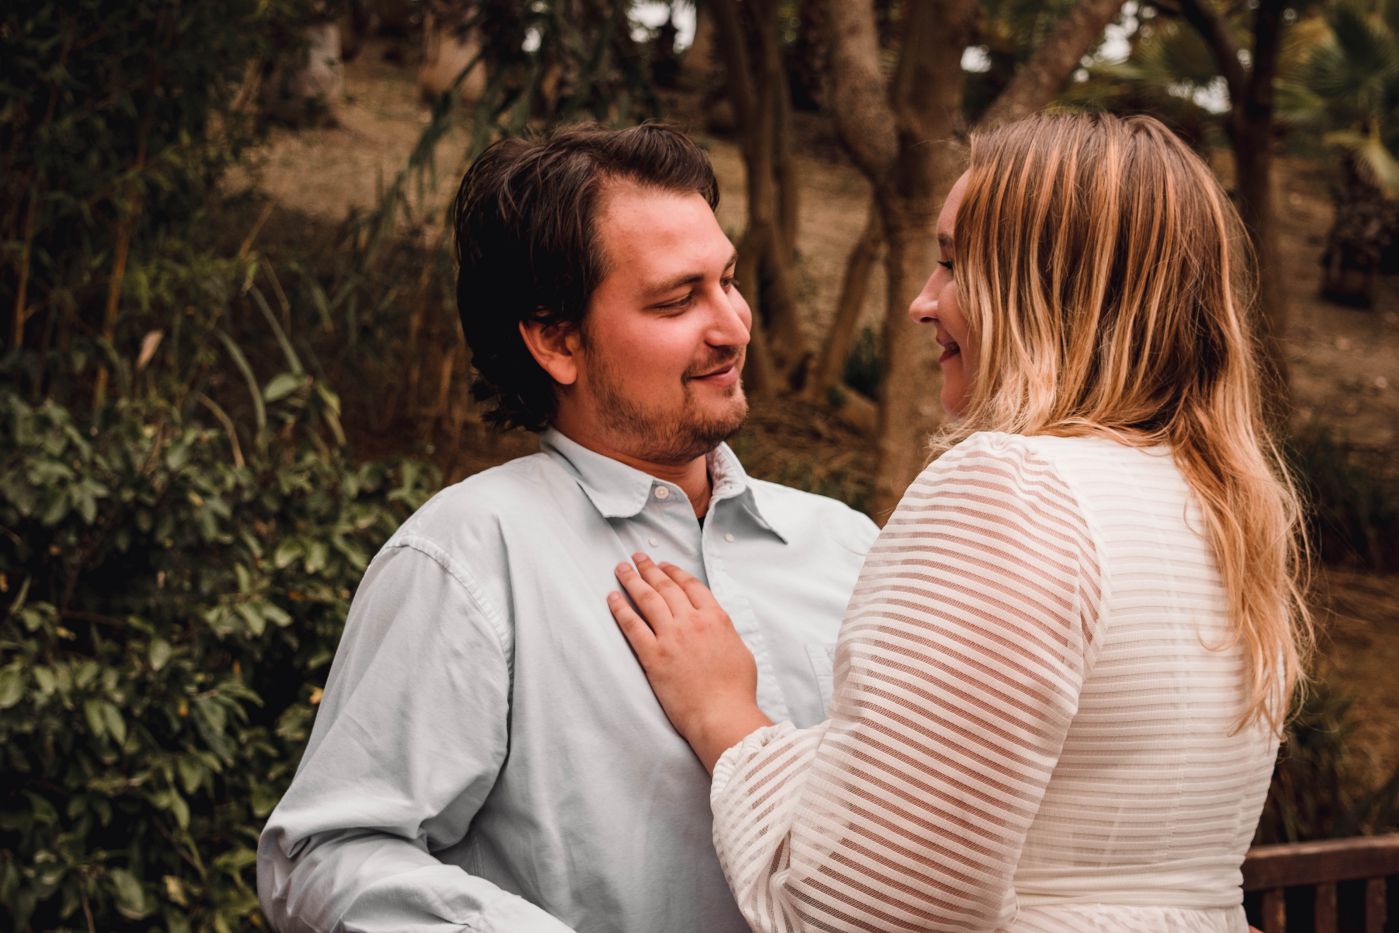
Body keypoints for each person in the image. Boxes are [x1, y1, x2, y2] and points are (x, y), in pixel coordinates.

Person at [608, 112, 1313, 932]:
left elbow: (864, 909)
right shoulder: (1218, 506)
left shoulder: (1012, 488)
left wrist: (727, 716)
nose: (922, 301)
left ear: (1046, 288)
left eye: (951, 263)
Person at [256, 124, 879, 932]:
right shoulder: (467, 557)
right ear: (556, 340)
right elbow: (323, 857)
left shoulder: (852, 547)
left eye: (727, 280)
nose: (732, 326)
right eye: (677, 299)